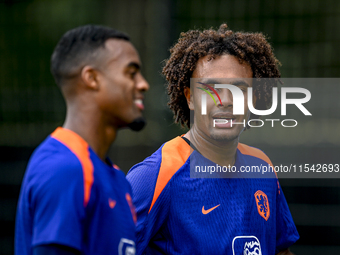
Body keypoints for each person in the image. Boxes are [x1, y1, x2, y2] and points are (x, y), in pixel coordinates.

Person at [126, 24, 299, 255]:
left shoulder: (262, 167)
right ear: (190, 98)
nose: (225, 100)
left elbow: (280, 250)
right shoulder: (154, 176)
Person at [15, 25, 149, 255]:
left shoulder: (117, 179)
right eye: (131, 72)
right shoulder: (65, 170)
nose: (143, 84)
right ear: (92, 78)